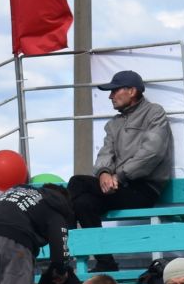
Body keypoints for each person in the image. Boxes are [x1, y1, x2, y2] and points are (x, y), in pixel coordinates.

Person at [65, 70, 174, 262]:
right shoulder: (113, 124)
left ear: (132, 91)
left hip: (143, 188)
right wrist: (104, 173)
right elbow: (105, 153)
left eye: (115, 91)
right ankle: (106, 263)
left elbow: (152, 153)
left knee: (76, 182)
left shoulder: (154, 112)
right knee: (83, 203)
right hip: (119, 188)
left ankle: (64, 247)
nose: (110, 96)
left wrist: (119, 176)